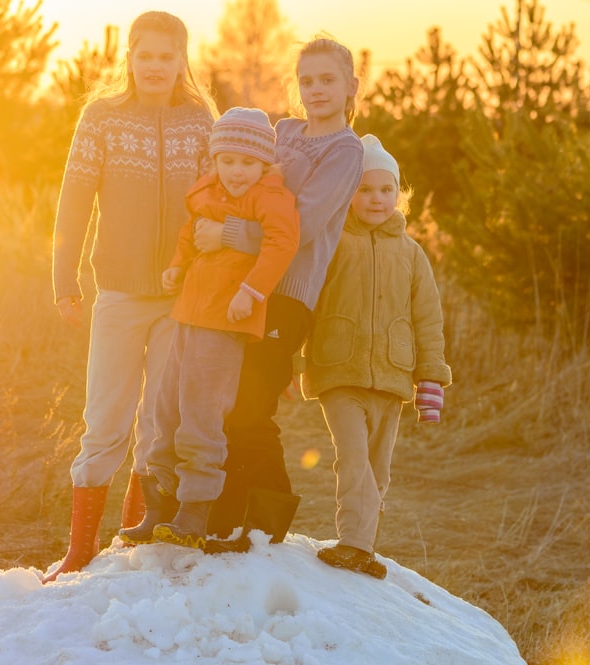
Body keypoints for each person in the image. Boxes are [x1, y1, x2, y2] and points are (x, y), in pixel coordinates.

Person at [44, 11, 217, 583]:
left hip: (180, 297)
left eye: (167, 57)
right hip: (116, 293)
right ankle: (80, 551)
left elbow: (219, 201)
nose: (155, 66)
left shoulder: (200, 120)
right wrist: (64, 282)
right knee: (105, 420)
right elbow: (74, 202)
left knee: (159, 424)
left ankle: (129, 544)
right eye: (145, 55)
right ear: (130, 58)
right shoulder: (102, 118)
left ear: (181, 61)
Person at [192, 35, 365, 552]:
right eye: (307, 80)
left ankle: (265, 526)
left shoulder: (345, 151)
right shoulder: (283, 132)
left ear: (350, 86)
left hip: (287, 295)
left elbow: (304, 225)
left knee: (251, 406)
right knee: (227, 402)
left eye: (327, 80)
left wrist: (226, 234)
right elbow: (241, 178)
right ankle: (226, 520)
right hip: (240, 286)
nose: (316, 90)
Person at [119, 107, 300, 550]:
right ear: (216, 160)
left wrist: (252, 292)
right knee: (166, 410)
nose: (237, 171)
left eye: (247, 162)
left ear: (263, 164)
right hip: (186, 314)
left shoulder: (269, 198)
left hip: (224, 322)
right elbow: (189, 233)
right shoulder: (208, 191)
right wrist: (178, 268)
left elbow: (283, 244)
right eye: (228, 160)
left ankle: (194, 511)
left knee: (201, 417)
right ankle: (158, 508)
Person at [303, 134, 452, 578]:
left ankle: (364, 546)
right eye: (365, 189)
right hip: (338, 370)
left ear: (398, 195)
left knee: (377, 468)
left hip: (392, 375)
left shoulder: (411, 253)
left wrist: (431, 377)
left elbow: (428, 317)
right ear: (347, 195)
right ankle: (353, 542)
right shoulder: (332, 243)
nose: (376, 199)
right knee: (352, 459)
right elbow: (305, 301)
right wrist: (291, 361)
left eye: (386, 190)